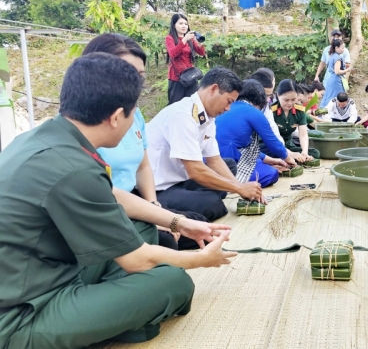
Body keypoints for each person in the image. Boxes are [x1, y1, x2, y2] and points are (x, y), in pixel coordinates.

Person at [0, 53, 236, 348]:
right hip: (23, 314)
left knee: (143, 225)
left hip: (46, 269)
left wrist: (180, 222)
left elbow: (112, 196)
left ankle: (109, 314)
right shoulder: (75, 166)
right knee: (174, 282)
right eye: (133, 113)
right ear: (115, 117)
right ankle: (103, 323)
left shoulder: (46, 138)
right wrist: (202, 260)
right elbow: (137, 260)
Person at [84, 33, 215, 251]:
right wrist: (163, 219)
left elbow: (143, 167)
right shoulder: (87, 125)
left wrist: (155, 207)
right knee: (168, 240)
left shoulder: (134, 115)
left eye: (139, 76)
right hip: (107, 210)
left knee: (200, 224)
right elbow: (102, 195)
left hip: (137, 199)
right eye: (126, 75)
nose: (134, 85)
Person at [148, 68, 264, 225]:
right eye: (229, 101)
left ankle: (190, 200)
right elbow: (195, 171)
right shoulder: (183, 115)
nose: (228, 109)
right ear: (214, 89)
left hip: (181, 179)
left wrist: (240, 187)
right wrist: (238, 188)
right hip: (159, 189)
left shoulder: (208, 117)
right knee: (212, 205)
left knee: (228, 165)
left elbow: (214, 160)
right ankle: (167, 211)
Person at [216, 79, 297, 189]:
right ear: (260, 101)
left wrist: (271, 160)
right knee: (271, 173)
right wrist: (289, 159)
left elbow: (245, 149)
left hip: (215, 159)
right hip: (227, 161)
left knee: (263, 164)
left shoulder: (228, 107)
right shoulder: (254, 112)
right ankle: (231, 183)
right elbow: (272, 141)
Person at [272, 79, 320, 160]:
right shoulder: (271, 112)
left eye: (293, 99)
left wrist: (304, 152)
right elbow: (271, 140)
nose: (290, 103)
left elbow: (303, 134)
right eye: (286, 100)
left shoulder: (299, 111)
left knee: (315, 153)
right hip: (273, 146)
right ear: (278, 95)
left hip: (288, 145)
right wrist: (289, 153)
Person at [166, 13, 206, 105]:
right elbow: (172, 54)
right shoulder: (170, 38)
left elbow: (201, 53)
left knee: (194, 103)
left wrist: (200, 44)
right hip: (176, 78)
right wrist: (184, 40)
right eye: (180, 23)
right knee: (175, 105)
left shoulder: (190, 39)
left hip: (191, 76)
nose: (184, 26)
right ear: (174, 25)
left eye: (185, 24)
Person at [321, 39, 354, 105]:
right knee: (336, 98)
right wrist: (347, 70)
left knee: (328, 97)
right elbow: (337, 71)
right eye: (342, 48)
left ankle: (323, 113)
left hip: (331, 79)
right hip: (336, 81)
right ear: (336, 47)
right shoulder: (337, 58)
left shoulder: (332, 55)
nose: (343, 49)